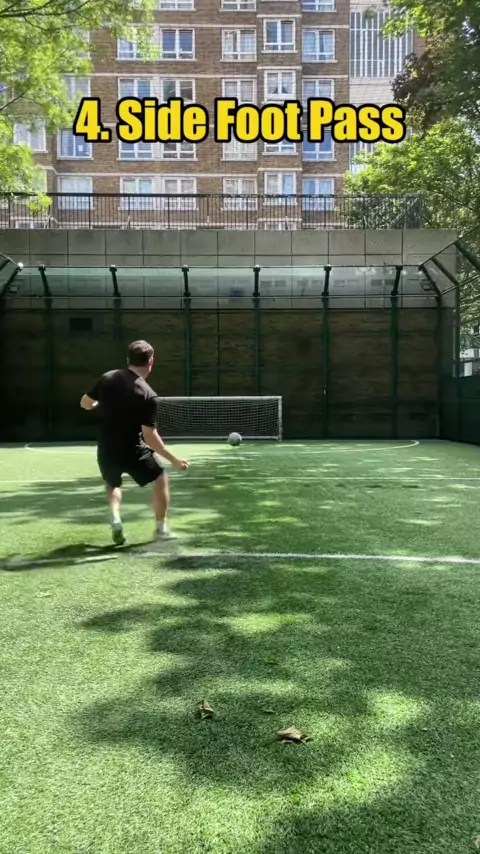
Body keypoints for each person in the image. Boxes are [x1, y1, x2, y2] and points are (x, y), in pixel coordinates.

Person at [80, 339, 189, 546]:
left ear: (128, 359)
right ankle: (161, 529)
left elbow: (85, 403)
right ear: (151, 361)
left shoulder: (107, 377)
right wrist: (173, 459)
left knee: (113, 484)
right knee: (161, 478)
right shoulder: (148, 394)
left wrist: (96, 403)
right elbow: (149, 436)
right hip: (133, 449)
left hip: (106, 447)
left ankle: (115, 518)